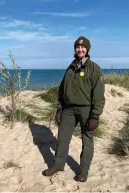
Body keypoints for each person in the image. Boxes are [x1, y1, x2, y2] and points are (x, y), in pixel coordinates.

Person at [42, 36, 105, 182]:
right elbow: (62, 90)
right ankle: (58, 165)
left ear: (87, 49)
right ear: (75, 49)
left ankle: (83, 171)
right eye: (78, 47)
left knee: (87, 140)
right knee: (63, 139)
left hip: (86, 110)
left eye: (83, 47)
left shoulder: (94, 68)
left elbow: (99, 94)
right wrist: (59, 109)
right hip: (68, 110)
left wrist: (95, 115)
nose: (80, 49)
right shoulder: (70, 67)